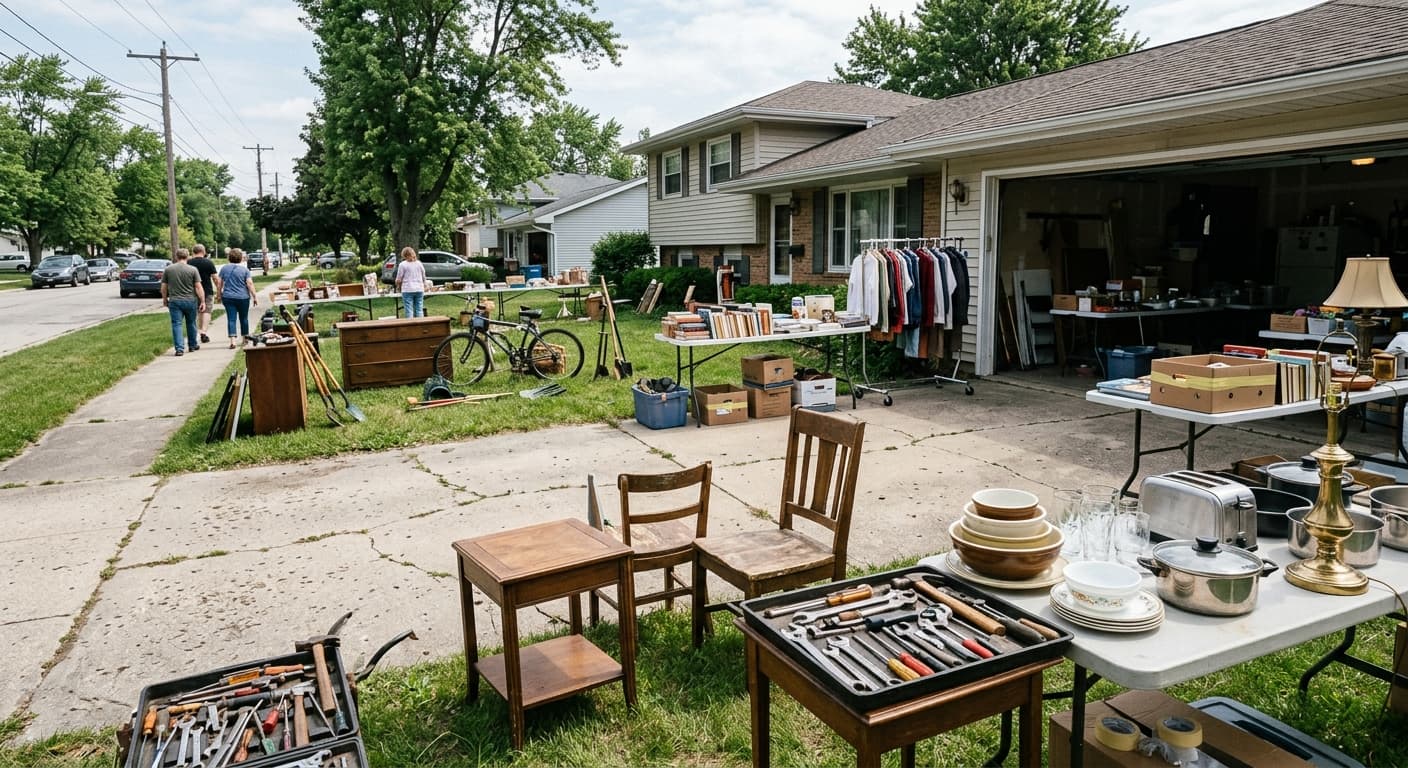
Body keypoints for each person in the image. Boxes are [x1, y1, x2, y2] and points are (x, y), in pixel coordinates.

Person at [161, 248, 205, 356]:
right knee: (191, 323)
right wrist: (202, 301)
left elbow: (163, 286)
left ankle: (179, 349)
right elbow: (198, 287)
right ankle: (192, 345)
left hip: (175, 301)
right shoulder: (193, 269)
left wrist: (164, 299)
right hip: (190, 300)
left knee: (177, 324)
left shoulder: (169, 269)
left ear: (176, 256)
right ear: (188, 256)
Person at [215, 248, 257, 348]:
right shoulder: (245, 270)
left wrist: (218, 295)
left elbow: (219, 283)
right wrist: (254, 296)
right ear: (241, 258)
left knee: (231, 318)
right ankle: (245, 339)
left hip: (228, 297)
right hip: (243, 297)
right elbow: (249, 283)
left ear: (229, 258)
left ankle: (232, 341)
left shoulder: (224, 269)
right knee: (244, 318)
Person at [188, 244, 217, 344]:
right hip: (207, 291)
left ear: (193, 252)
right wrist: (219, 289)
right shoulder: (208, 262)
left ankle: (195, 332)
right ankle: (203, 332)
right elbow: (215, 278)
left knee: (194, 312)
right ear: (203, 252)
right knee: (206, 311)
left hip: (191, 291)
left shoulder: (188, 263)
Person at [394, 246, 426, 317]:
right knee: (419, 309)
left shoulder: (402, 265)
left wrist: (397, 284)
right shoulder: (419, 263)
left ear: (405, 255)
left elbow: (399, 279)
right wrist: (424, 284)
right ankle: (421, 325)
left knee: (409, 310)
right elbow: (424, 275)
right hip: (419, 289)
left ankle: (410, 326)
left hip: (407, 289)